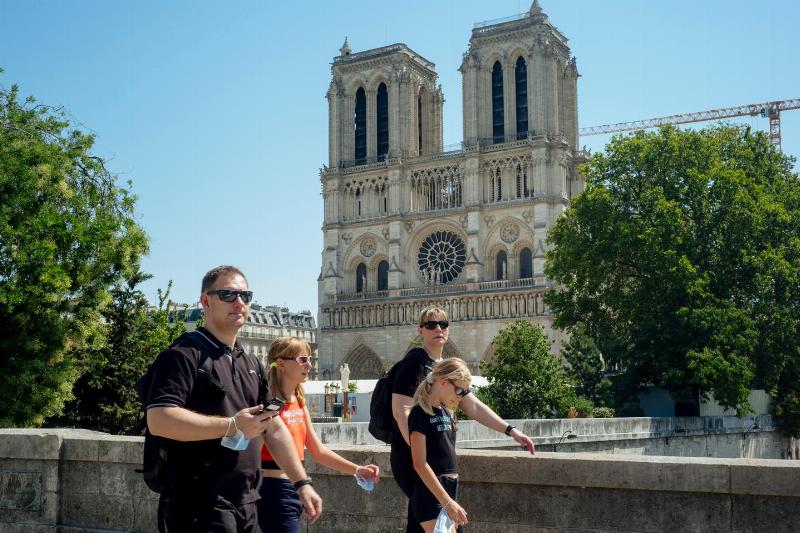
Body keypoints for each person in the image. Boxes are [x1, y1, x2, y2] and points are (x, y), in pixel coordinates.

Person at [145, 266, 322, 533]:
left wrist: (301, 482)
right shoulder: (183, 355)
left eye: (245, 296)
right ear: (206, 301)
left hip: (246, 500)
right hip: (197, 502)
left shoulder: (249, 362)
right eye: (228, 295)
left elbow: (273, 427)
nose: (239, 303)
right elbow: (159, 419)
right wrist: (232, 426)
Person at [391, 306, 536, 533]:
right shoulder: (415, 361)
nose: (438, 328)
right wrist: (427, 457)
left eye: (443, 324)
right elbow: (402, 413)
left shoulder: (447, 370)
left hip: (436, 469)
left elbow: (474, 407)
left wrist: (511, 431)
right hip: (417, 461)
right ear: (420, 330)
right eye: (431, 325)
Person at [258, 336, 380, 533]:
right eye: (302, 360)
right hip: (274, 489)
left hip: (295, 489)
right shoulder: (269, 405)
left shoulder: (298, 402)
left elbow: (318, 451)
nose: (309, 364)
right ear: (281, 363)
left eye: (309, 358)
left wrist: (357, 470)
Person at [409, 358, 472, 533]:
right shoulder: (420, 413)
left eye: (464, 392)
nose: (460, 396)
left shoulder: (446, 412)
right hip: (432, 494)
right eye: (459, 390)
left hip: (450, 490)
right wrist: (447, 502)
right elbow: (419, 463)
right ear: (444, 382)